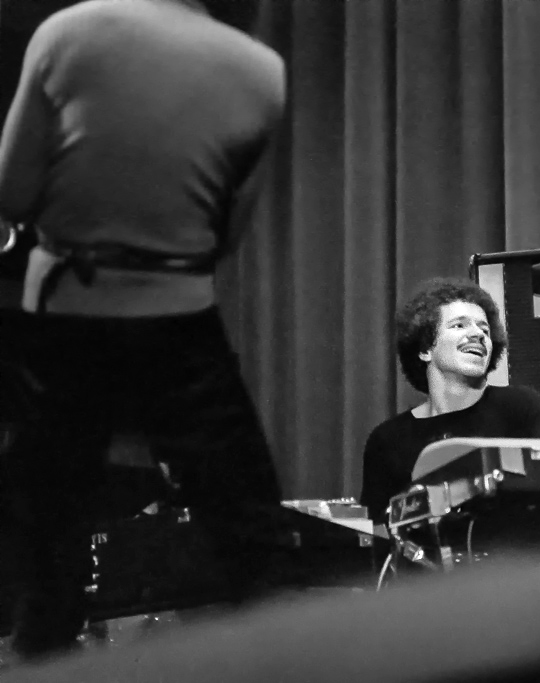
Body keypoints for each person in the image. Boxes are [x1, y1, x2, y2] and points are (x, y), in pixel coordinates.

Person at [0, 0, 285, 661]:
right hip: (180, 313)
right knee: (247, 524)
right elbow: (227, 233)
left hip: (70, 307)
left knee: (50, 524)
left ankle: (44, 656)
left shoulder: (69, 31)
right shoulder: (262, 70)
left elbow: (12, 192)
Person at [360, 277, 540, 523]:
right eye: (459, 325)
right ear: (425, 349)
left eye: (485, 330)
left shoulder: (519, 407)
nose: (478, 334)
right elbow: (377, 532)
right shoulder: (387, 440)